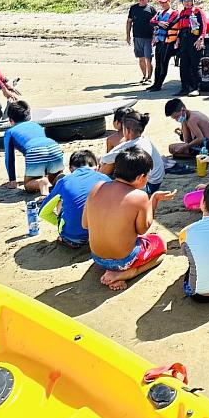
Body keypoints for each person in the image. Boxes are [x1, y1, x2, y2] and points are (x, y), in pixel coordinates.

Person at [83, 147, 174, 290]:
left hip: (98, 257)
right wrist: (154, 199)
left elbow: (85, 224)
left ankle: (114, 270)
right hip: (124, 260)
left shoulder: (97, 187)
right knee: (161, 246)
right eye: (147, 176)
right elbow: (142, 229)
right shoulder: (139, 196)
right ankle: (127, 273)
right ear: (140, 177)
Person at [39, 150, 111, 248]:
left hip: (73, 238)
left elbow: (43, 212)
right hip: (101, 237)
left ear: (70, 169)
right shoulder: (105, 178)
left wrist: (62, 223)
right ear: (97, 168)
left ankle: (68, 231)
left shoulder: (64, 181)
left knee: (60, 199)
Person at [3, 101, 63, 195]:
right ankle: (58, 177)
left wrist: (12, 181)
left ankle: (41, 183)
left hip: (35, 151)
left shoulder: (10, 132)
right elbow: (44, 150)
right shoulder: (37, 126)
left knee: (28, 185)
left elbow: (9, 158)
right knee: (53, 177)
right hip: (54, 147)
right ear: (29, 116)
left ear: (10, 120)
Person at [99, 111, 164, 196]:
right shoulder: (143, 139)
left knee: (111, 163)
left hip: (149, 185)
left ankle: (97, 180)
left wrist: (101, 162)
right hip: (155, 181)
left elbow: (106, 159)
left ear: (128, 130)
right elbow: (120, 148)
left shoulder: (135, 145)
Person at [158, 0, 205, 96]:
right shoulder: (182, 12)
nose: (187, 3)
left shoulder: (198, 12)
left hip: (194, 40)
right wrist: (178, 39)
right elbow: (180, 27)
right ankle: (185, 88)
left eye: (189, 0)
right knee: (183, 66)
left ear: (193, 1)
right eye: (185, 1)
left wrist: (200, 39)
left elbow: (204, 27)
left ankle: (196, 88)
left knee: (195, 66)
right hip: (184, 41)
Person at [148, 0, 179, 92]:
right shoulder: (159, 13)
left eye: (164, 2)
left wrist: (158, 24)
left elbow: (169, 25)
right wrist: (159, 23)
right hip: (160, 41)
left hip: (168, 43)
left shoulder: (174, 13)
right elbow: (151, 22)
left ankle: (159, 85)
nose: (163, 4)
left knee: (163, 64)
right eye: (161, 2)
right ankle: (155, 84)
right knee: (158, 64)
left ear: (169, 1)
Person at [125, 0, 157, 84]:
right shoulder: (133, 8)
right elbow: (129, 21)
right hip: (137, 36)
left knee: (148, 58)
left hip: (148, 37)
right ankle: (144, 76)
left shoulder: (151, 9)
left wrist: (155, 36)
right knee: (141, 58)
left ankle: (149, 78)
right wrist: (128, 35)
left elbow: (156, 24)